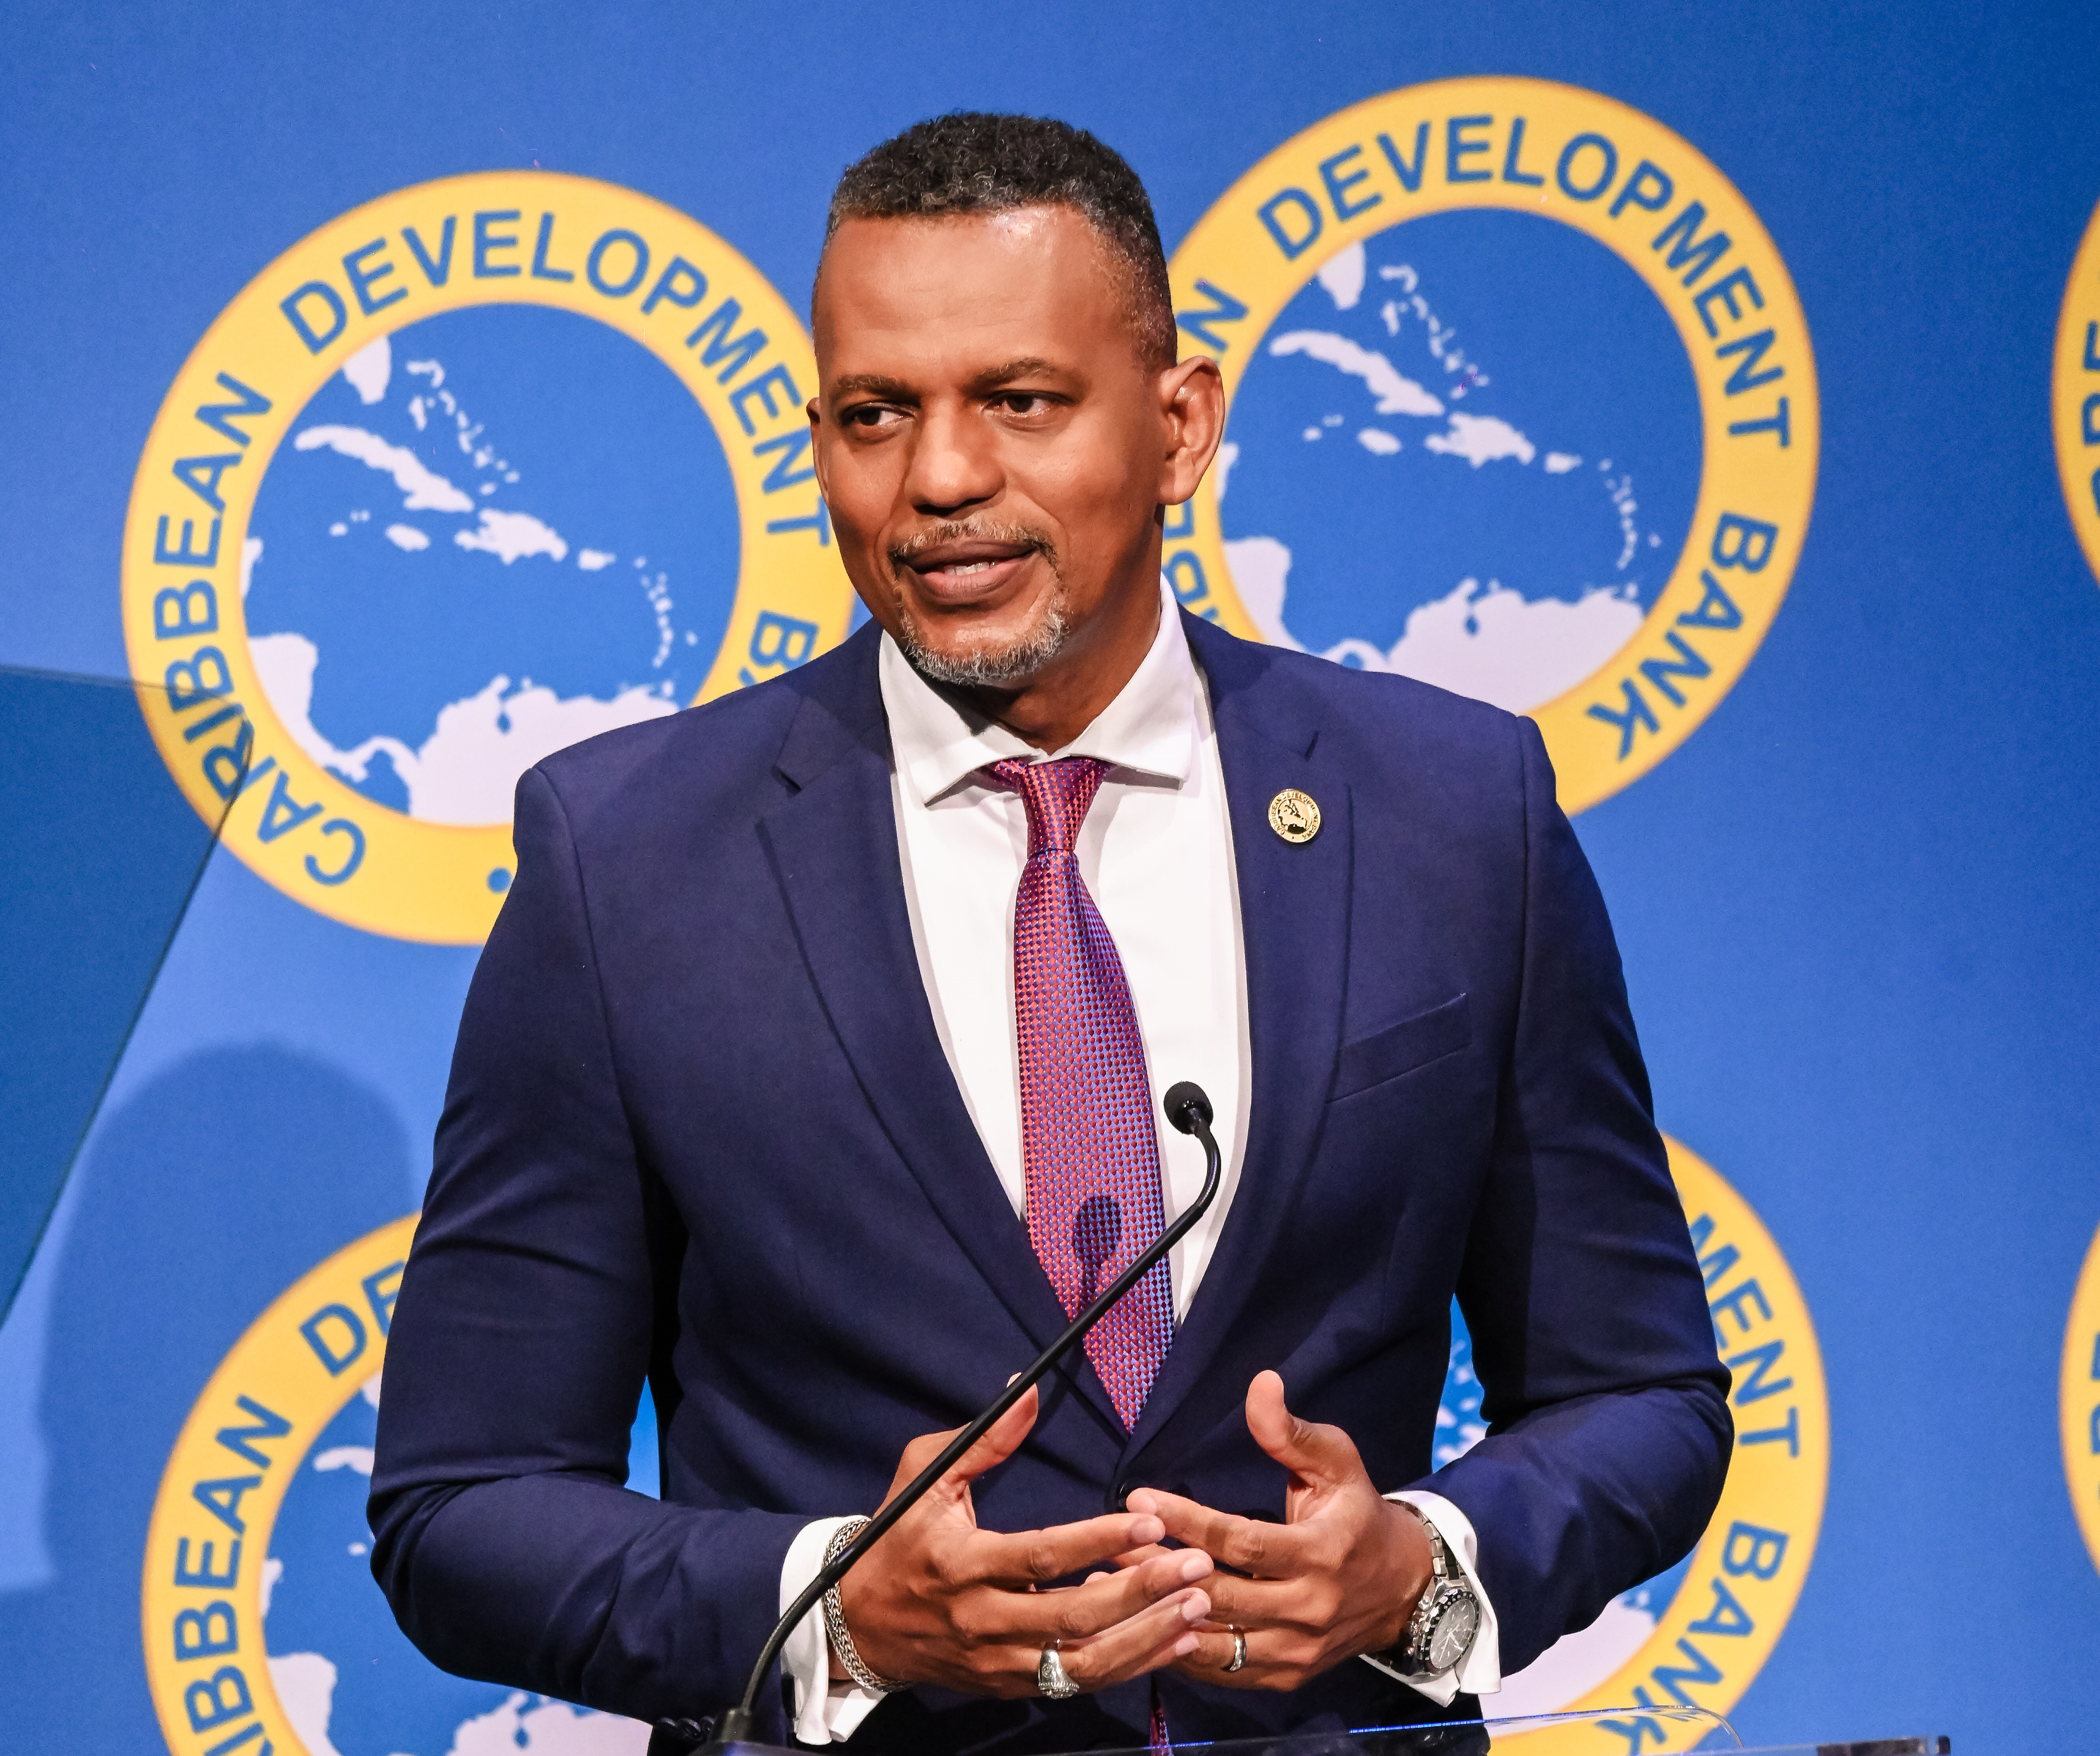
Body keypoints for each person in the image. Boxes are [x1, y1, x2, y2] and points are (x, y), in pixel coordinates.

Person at [369, 112, 1732, 1753]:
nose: (938, 478)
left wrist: (1418, 1572)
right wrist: (834, 1602)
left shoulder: (1452, 810)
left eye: (1017, 401)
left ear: (1178, 425)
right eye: (875, 414)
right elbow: (462, 1505)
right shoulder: (629, 857)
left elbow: (1636, 1392)